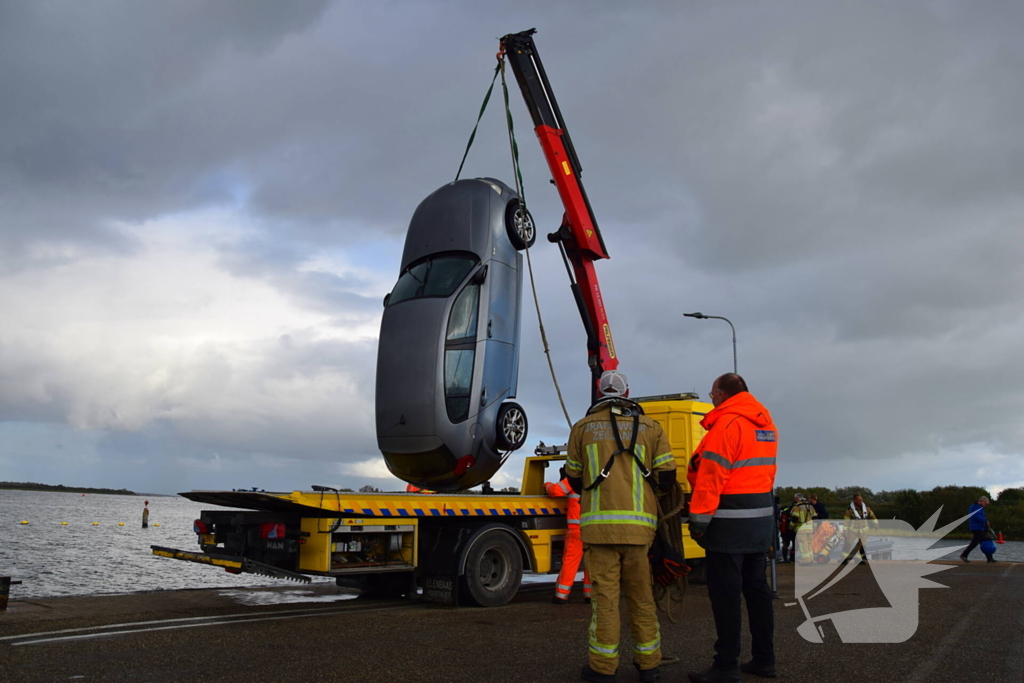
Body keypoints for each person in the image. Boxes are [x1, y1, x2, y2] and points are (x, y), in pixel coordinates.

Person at [565, 370, 676, 683]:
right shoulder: (651, 427)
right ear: (628, 391)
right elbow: (667, 477)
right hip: (640, 533)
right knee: (642, 598)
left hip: (600, 533)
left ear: (600, 393)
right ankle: (649, 666)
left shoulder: (583, 428)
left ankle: (603, 670)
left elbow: (574, 478)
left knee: (605, 602)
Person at [686, 373, 778, 683]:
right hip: (759, 523)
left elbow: (712, 476)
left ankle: (726, 666)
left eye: (712, 394)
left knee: (726, 597)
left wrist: (698, 523)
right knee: (757, 591)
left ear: (723, 394)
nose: (711, 398)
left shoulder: (727, 425)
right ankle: (765, 660)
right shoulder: (766, 424)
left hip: (728, 525)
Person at [545, 466, 591, 604]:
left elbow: (554, 491)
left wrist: (546, 484)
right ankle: (590, 595)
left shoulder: (572, 480)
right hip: (593, 529)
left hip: (576, 529)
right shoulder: (596, 480)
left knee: (570, 562)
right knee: (592, 563)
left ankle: (561, 595)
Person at [840, 494, 877, 565]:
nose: (861, 501)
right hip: (852, 530)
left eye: (861, 500)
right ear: (855, 500)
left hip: (864, 530)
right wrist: (845, 530)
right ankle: (843, 559)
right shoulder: (849, 510)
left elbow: (872, 515)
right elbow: (846, 520)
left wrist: (876, 523)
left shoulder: (866, 508)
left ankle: (859, 559)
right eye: (859, 500)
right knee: (848, 544)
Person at [960, 496, 995, 563]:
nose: (985, 505)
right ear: (982, 501)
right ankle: (964, 555)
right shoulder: (976, 507)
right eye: (985, 504)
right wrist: (985, 520)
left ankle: (990, 558)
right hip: (977, 527)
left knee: (985, 541)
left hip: (979, 527)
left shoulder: (976, 507)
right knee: (975, 542)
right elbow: (976, 515)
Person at [789, 494, 816, 564]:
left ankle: (805, 560)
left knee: (803, 544)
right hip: (810, 528)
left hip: (801, 529)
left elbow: (795, 518)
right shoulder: (809, 506)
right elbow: (815, 517)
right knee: (809, 544)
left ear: (798, 498)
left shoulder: (797, 507)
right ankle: (811, 559)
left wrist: (791, 525)